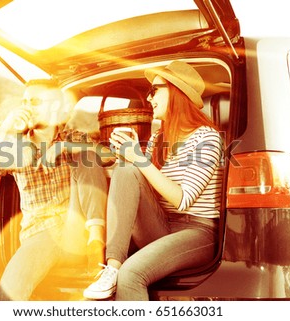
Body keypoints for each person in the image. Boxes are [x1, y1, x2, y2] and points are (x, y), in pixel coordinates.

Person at [83, 61, 224, 301]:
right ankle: (112, 266)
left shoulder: (208, 139)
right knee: (127, 169)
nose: (149, 98)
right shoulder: (160, 137)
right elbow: (141, 184)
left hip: (197, 230)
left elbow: (182, 199)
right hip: (161, 224)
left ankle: (120, 271)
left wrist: (138, 157)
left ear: (177, 92)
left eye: (155, 90)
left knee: (132, 274)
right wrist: (127, 155)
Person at [0, 79, 108, 300]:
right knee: (9, 294)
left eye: (34, 101)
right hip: (41, 236)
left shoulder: (72, 137)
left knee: (86, 155)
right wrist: (5, 127)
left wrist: (64, 147)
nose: (26, 107)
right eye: (23, 102)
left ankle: (97, 245)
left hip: (77, 231)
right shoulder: (15, 147)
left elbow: (108, 157)